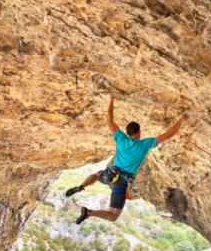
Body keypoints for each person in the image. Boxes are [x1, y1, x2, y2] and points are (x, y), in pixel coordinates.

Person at [65, 96, 187, 224]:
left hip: (110, 173)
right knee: (113, 215)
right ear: (139, 132)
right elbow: (170, 134)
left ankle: (81, 186)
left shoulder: (121, 138)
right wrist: (181, 120)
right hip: (121, 182)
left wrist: (112, 100)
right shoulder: (145, 144)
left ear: (127, 133)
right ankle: (88, 213)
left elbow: (109, 119)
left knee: (97, 175)